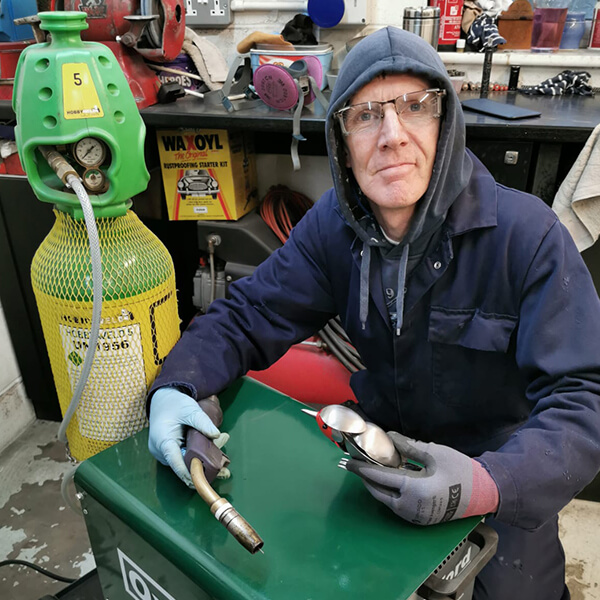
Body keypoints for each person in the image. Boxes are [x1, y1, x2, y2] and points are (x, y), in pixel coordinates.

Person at [147, 26, 600, 599]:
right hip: (380, 466)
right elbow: (246, 315)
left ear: (446, 121)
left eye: (415, 107)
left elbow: (586, 399)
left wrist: (488, 484)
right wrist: (180, 385)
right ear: (340, 139)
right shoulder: (333, 229)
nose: (392, 135)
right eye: (365, 115)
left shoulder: (528, 238)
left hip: (504, 484)